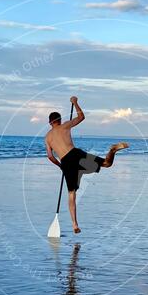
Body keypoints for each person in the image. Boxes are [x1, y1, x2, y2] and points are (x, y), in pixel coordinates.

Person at [45, 96, 129, 234]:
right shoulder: (65, 125)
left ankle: (74, 225)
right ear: (59, 120)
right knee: (107, 164)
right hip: (75, 153)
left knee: (71, 193)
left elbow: (50, 156)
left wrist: (61, 166)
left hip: (65, 162)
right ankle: (112, 150)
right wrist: (75, 103)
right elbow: (81, 117)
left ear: (50, 123)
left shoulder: (47, 137)